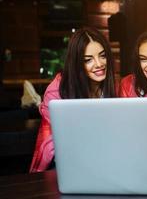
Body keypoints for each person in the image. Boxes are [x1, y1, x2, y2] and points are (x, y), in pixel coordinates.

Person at [30, 27, 116, 173]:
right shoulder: (57, 91)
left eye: (103, 56)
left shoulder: (112, 85)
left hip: (105, 157)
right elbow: (57, 144)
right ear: (77, 63)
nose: (99, 64)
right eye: (88, 60)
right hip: (68, 162)